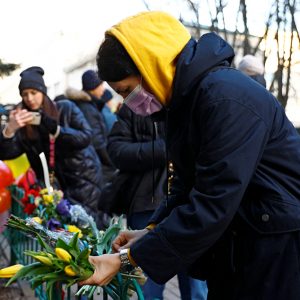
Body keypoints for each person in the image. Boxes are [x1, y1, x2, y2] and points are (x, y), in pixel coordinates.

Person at [79, 11, 300, 300]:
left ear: (153, 66)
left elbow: (213, 201)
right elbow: (185, 184)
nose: (128, 103)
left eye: (128, 91)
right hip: (242, 241)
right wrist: (150, 231)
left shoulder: (225, 98)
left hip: (273, 249)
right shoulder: (185, 101)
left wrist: (128, 259)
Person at [107, 104, 207, 300]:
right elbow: (117, 150)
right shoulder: (134, 106)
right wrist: (168, 147)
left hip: (188, 204)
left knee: (195, 284)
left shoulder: (192, 102)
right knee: (148, 284)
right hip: (147, 203)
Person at [0, 67, 103, 221]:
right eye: (25, 94)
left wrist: (58, 131)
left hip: (84, 183)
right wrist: (9, 131)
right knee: (64, 239)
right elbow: (7, 154)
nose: (29, 98)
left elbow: (86, 137)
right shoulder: (24, 121)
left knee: (90, 232)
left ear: (43, 92)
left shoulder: (65, 108)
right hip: (55, 190)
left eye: (33, 93)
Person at [62, 70, 114, 184]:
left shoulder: (88, 105)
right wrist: (112, 162)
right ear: (93, 87)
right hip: (96, 165)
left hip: (92, 164)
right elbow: (97, 142)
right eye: (101, 85)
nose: (103, 89)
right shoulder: (88, 109)